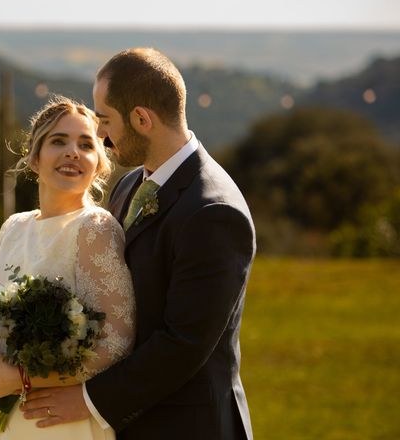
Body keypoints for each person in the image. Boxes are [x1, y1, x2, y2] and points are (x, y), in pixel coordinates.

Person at [21, 48, 256, 439]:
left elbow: (184, 344)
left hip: (189, 426)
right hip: (132, 421)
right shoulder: (131, 184)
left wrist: (87, 400)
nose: (100, 135)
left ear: (142, 119)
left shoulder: (213, 212)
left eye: (105, 120)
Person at [0, 97, 136, 439]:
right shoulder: (14, 227)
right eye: (58, 141)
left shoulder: (95, 228)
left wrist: (24, 377)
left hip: (57, 422)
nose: (72, 152)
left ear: (99, 165)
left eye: (85, 145)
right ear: (35, 159)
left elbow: (117, 340)